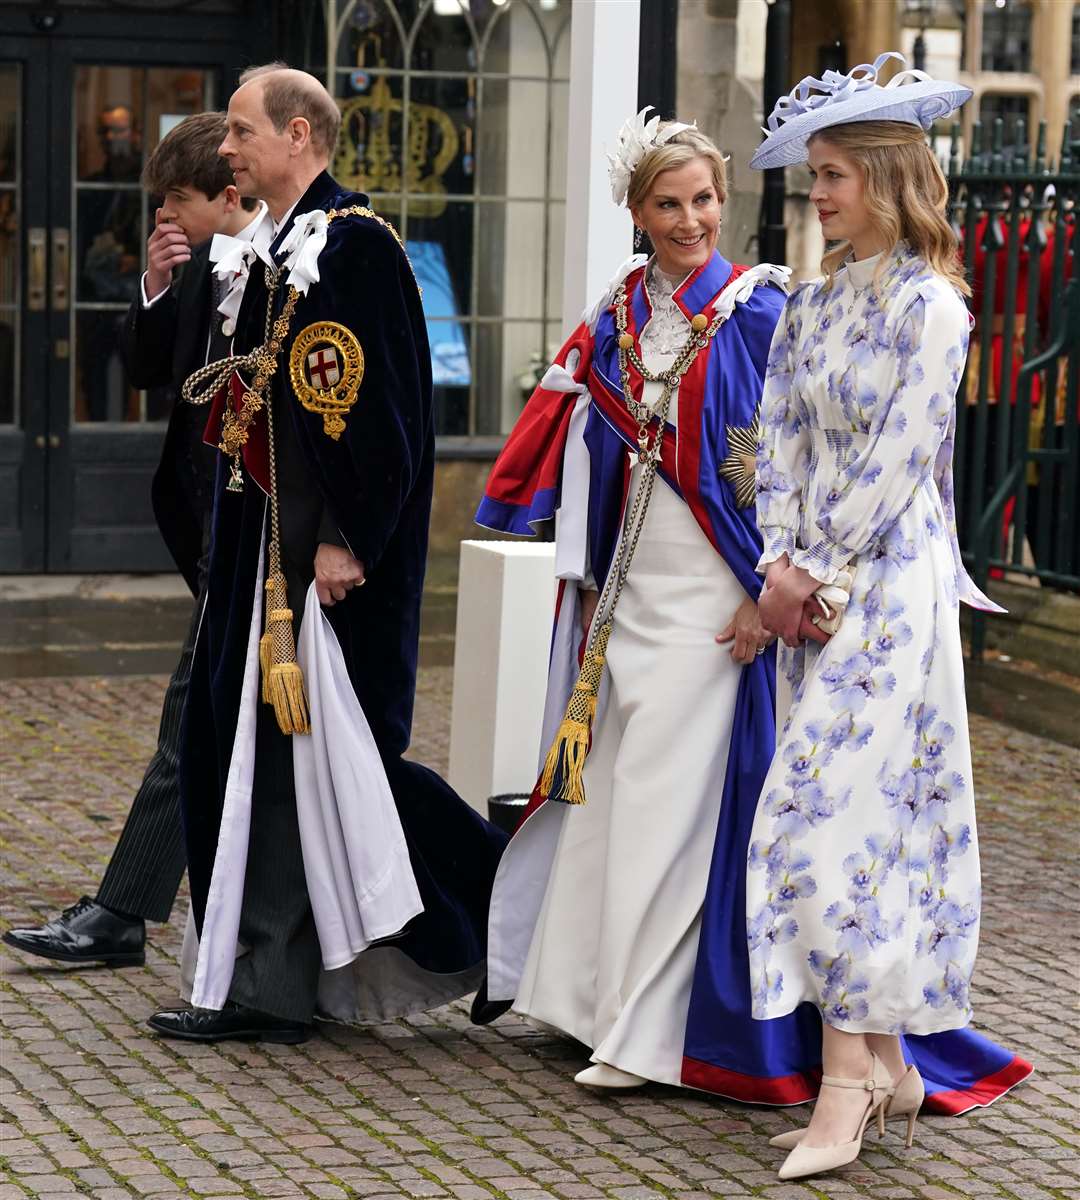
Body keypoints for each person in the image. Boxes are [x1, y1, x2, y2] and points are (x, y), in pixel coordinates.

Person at [475, 103, 1031, 1117]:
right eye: (669, 204)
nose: (692, 221)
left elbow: (789, 464)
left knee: (673, 808)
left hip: (733, 596)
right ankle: (581, 1000)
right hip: (638, 592)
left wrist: (759, 588)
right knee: (608, 797)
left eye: (705, 201)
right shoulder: (619, 312)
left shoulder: (764, 307)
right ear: (635, 212)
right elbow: (626, 454)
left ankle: (661, 1032)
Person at [146, 64, 506, 1045]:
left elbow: (383, 411)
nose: (226, 149)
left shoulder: (356, 248)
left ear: (299, 134)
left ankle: (495, 905)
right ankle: (278, 978)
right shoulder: (264, 244)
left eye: (243, 132)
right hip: (253, 546)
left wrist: (349, 538)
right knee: (254, 760)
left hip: (315, 563)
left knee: (325, 768)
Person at [746, 53, 1031, 1180]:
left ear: (886, 175)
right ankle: (886, 1065)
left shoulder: (934, 309)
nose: (816, 196)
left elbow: (899, 460)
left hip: (887, 592)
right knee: (850, 836)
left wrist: (808, 571)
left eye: (832, 176)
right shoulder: (812, 303)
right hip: (805, 593)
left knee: (818, 826)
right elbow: (778, 439)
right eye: (812, 175)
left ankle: (853, 1080)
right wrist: (775, 557)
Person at [3, 112, 266, 970]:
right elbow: (152, 367)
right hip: (210, 536)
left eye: (175, 202)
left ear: (229, 193)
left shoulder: (282, 267)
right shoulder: (194, 267)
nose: (162, 218)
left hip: (264, 541)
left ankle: (123, 914)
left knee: (192, 720)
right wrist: (153, 288)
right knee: (212, 726)